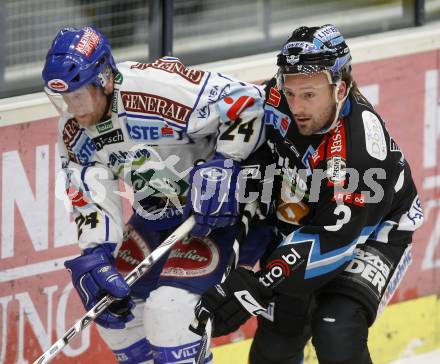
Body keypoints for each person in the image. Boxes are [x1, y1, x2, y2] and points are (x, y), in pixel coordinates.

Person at [192, 24, 424, 364]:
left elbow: (333, 241)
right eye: (291, 93)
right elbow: (265, 150)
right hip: (312, 212)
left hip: (376, 230)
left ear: (340, 89)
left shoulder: (359, 152)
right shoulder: (277, 97)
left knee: (336, 328)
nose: (297, 106)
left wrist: (260, 281)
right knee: (276, 343)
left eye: (310, 95)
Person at [42, 26, 272, 364]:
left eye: (78, 95)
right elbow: (89, 195)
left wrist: (227, 162)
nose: (72, 108)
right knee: (112, 312)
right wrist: (96, 256)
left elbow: (248, 101)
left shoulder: (157, 91)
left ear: (104, 79)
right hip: (161, 213)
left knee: (171, 311)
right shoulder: (74, 132)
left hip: (223, 210)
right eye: (64, 98)